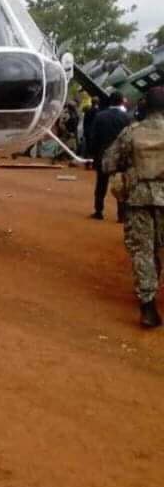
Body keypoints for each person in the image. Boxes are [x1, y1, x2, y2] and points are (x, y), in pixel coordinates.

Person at [103, 85, 164, 328]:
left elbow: (108, 162)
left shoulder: (132, 132)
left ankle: (148, 307)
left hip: (138, 200)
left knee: (143, 251)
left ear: (144, 107)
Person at [89, 90, 130, 221]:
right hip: (120, 156)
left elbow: (93, 137)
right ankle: (121, 214)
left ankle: (99, 211)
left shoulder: (100, 116)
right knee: (121, 184)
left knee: (101, 183)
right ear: (121, 101)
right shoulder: (127, 118)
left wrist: (94, 154)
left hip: (103, 154)